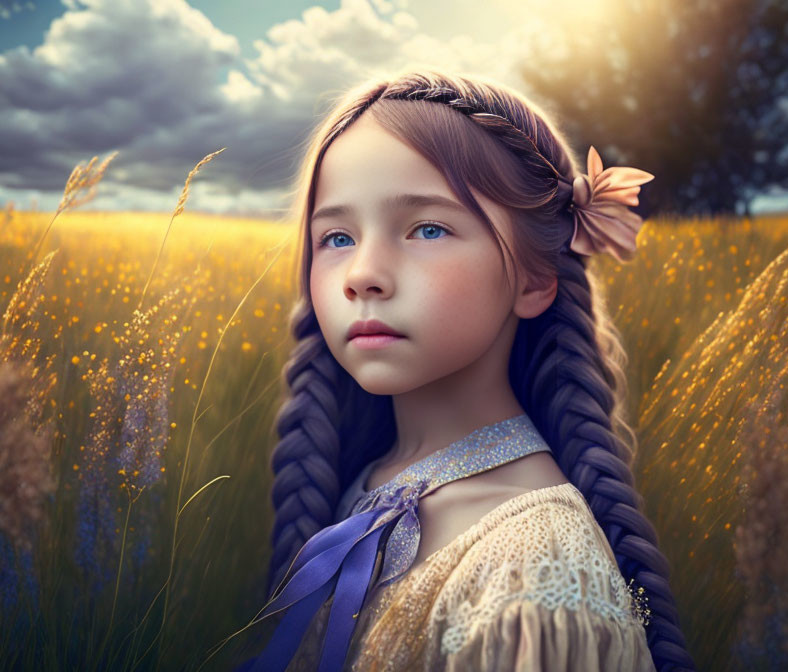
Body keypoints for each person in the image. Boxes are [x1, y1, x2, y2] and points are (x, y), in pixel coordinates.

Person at [234, 68, 696, 671]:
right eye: (337, 237)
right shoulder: (367, 482)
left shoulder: (535, 573)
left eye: (427, 228)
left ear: (533, 278)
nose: (362, 274)